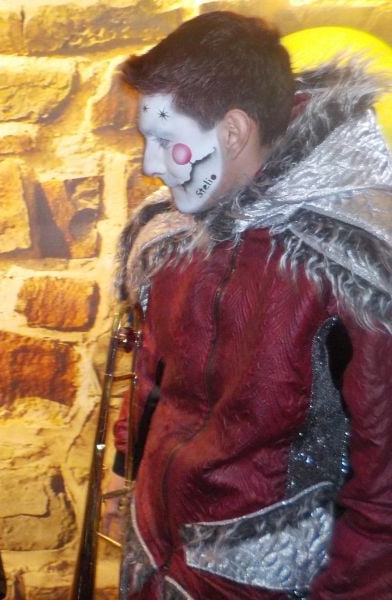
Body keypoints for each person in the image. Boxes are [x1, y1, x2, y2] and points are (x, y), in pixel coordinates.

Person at [109, 11, 392, 599]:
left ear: (234, 132)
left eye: (165, 140)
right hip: (154, 557)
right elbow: (154, 381)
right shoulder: (173, 239)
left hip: (268, 582)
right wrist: (130, 461)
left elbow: (384, 490)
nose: (149, 165)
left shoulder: (353, 265)